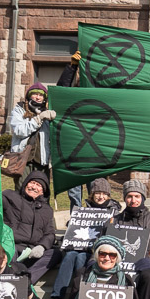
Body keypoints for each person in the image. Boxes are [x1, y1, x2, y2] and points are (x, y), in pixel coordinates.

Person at [0, 171, 61, 284]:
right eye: (32, 183)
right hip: (11, 246)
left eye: (39, 185)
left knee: (56, 254)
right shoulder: (11, 196)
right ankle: (6, 282)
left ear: (43, 191)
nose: (34, 187)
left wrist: (42, 246)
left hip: (32, 252)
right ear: (26, 184)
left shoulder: (47, 210)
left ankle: (26, 282)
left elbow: (50, 233)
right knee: (7, 250)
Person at [48, 178, 122, 299]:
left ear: (108, 195)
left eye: (104, 193)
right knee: (70, 256)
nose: (100, 196)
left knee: (81, 258)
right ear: (91, 194)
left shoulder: (115, 213)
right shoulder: (83, 210)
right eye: (97, 193)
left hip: (98, 253)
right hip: (79, 247)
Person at [56, 51, 88, 211]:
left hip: (93, 153)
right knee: (74, 194)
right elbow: (61, 89)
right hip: (73, 151)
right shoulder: (71, 96)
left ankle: (96, 224)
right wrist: (72, 67)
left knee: (96, 191)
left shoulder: (101, 96)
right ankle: (76, 221)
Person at [9, 82, 56, 189]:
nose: (38, 97)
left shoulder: (48, 113)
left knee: (41, 190)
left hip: (42, 160)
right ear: (29, 95)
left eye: (41, 95)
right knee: (22, 190)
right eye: (35, 94)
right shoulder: (19, 109)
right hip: (23, 160)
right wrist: (38, 119)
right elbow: (19, 131)